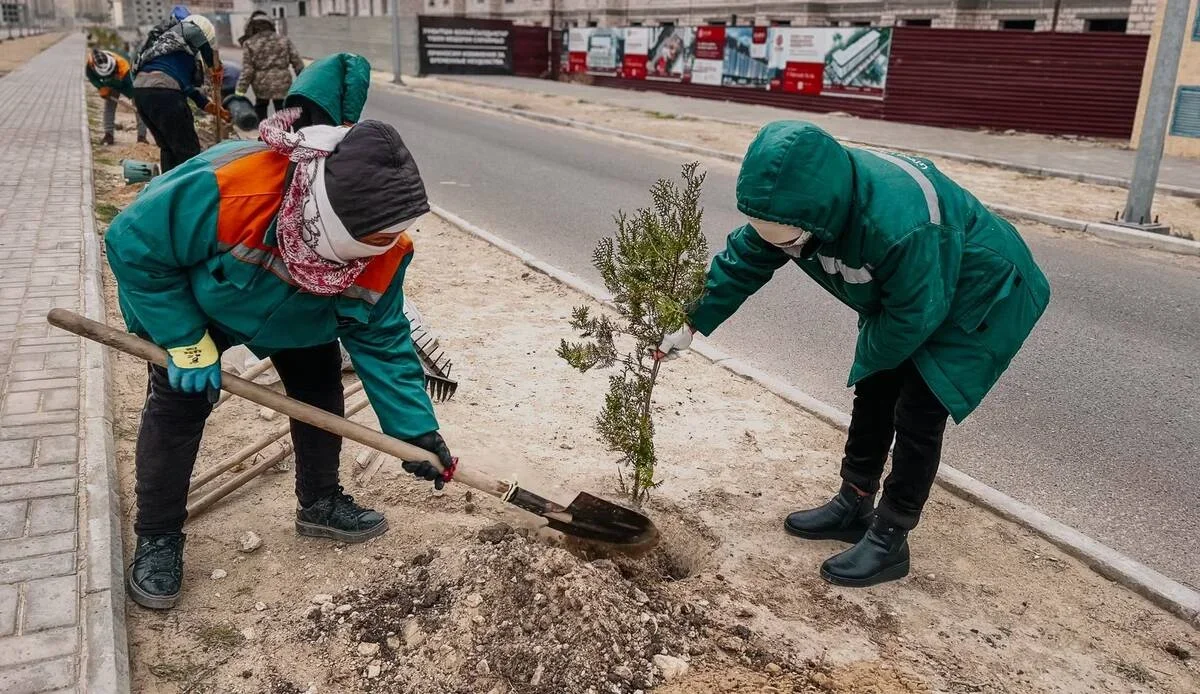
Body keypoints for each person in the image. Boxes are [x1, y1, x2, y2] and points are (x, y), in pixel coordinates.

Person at [106, 57, 454, 610]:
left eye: (393, 235)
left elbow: (383, 338)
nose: (383, 249)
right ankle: (158, 536)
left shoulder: (386, 251)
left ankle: (319, 502)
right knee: (178, 403)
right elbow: (133, 244)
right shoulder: (233, 189)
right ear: (328, 218)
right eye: (371, 239)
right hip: (203, 301)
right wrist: (184, 340)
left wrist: (417, 432)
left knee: (319, 388)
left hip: (303, 315)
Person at [655, 121, 1050, 588]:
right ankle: (854, 503)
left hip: (982, 291)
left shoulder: (902, 226)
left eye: (790, 242)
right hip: (916, 290)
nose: (785, 249)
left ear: (820, 217)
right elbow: (746, 258)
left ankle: (890, 537)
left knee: (919, 408)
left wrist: (873, 362)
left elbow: (914, 314)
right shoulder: (794, 202)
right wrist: (691, 320)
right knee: (875, 387)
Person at [132, 14, 230, 172]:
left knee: (168, 148)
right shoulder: (190, 32)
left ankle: (169, 184)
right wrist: (214, 66)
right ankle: (191, 186)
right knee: (188, 150)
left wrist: (206, 104)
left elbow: (185, 86)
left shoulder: (166, 51)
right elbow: (204, 46)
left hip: (141, 93)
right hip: (165, 94)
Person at [236, 10, 305, 122]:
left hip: (261, 84)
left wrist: (240, 91)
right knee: (282, 110)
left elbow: (248, 70)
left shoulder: (249, 43)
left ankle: (262, 130)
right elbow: (297, 63)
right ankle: (283, 131)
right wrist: (304, 83)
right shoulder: (284, 40)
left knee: (261, 107)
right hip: (282, 83)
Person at [85, 48, 148, 146]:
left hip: (124, 81)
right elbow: (92, 77)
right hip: (110, 84)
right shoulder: (91, 64)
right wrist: (101, 87)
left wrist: (135, 97)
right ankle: (108, 135)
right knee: (109, 107)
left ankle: (142, 137)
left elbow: (132, 87)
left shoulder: (124, 67)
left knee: (139, 108)